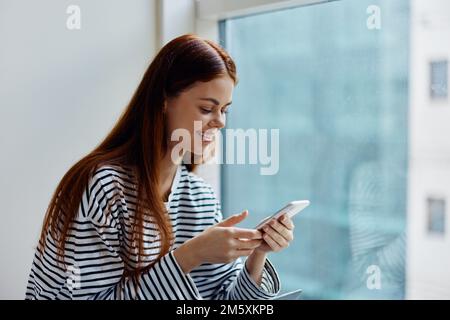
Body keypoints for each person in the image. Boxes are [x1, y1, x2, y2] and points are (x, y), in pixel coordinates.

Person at [25, 34, 295, 300]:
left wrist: (258, 252)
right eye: (206, 108)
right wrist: (190, 255)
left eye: (225, 110)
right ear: (163, 101)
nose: (220, 122)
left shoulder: (200, 198)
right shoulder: (103, 188)